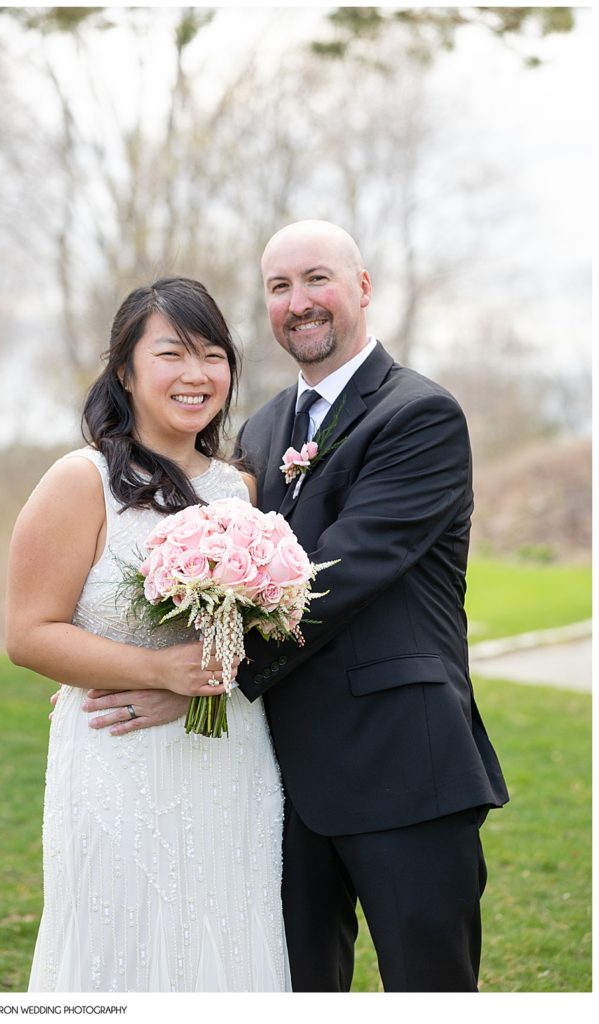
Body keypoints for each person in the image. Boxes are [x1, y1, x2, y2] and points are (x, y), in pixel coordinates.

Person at [95, 221, 509, 992]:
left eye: (315, 279)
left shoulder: (418, 415)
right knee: (294, 993)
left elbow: (338, 575)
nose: (298, 302)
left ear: (361, 287)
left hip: (401, 768)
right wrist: (123, 647)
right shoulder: (259, 428)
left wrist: (195, 677)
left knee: (430, 991)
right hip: (279, 783)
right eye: (278, 287)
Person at [6, 277, 291, 992]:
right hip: (117, 761)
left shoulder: (240, 491)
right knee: (123, 943)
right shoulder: (83, 479)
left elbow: (242, 636)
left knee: (227, 939)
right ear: (126, 372)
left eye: (213, 354)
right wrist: (156, 671)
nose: (197, 375)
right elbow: (28, 632)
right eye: (172, 354)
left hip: (230, 759)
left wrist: (208, 675)